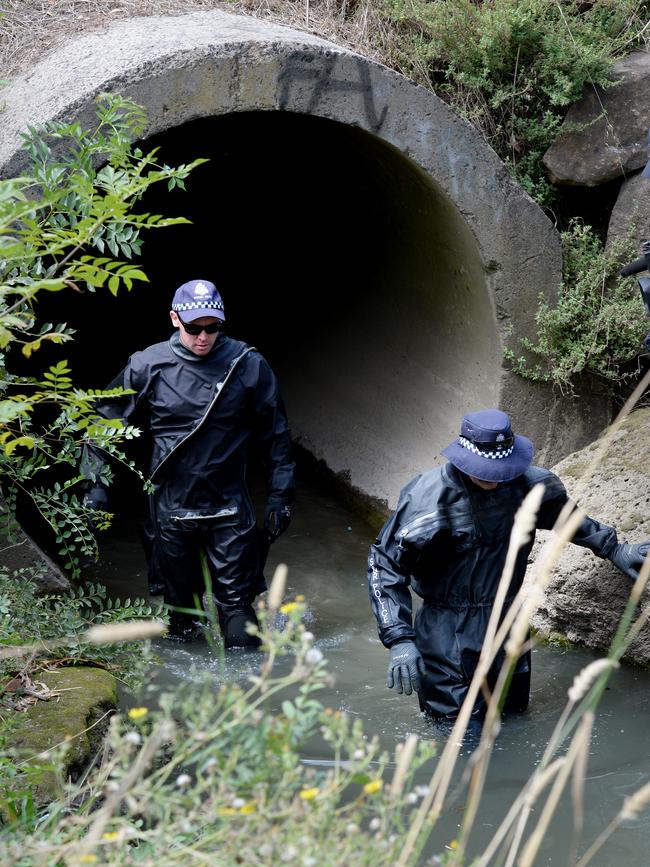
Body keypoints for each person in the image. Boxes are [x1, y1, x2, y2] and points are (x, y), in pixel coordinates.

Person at [368, 408, 650, 721]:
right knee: (458, 732)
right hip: (447, 627)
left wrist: (612, 548)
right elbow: (384, 564)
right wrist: (400, 639)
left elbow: (565, 517)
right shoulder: (428, 501)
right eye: (486, 470)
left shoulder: (529, 486)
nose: (496, 477)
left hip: (507, 618)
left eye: (502, 468)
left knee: (512, 717)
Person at [83, 278, 295, 645]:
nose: (203, 337)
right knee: (182, 618)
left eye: (212, 328)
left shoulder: (247, 364)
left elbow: (275, 435)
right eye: (194, 327)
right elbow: (103, 424)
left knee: (239, 617)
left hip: (229, 508)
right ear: (174, 319)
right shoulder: (147, 365)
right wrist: (95, 486)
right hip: (170, 509)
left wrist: (280, 496)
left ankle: (246, 693)